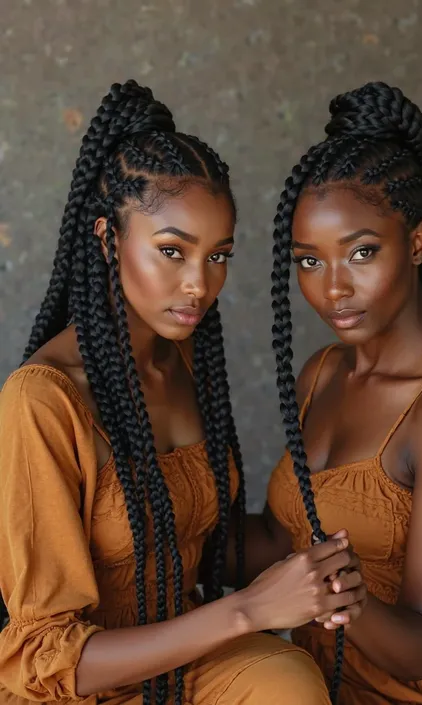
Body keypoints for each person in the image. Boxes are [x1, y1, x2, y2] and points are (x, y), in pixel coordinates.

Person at [0, 79, 367, 705]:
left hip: (188, 663)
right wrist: (249, 609)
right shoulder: (44, 400)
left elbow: (199, 542)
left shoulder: (190, 362)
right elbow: (46, 656)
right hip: (83, 685)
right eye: (173, 251)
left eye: (218, 255)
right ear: (108, 238)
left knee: (289, 681)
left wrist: (314, 566)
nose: (200, 284)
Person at [264, 81, 422, 703]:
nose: (333, 289)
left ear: (416, 242)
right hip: (312, 689)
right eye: (309, 261)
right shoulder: (322, 373)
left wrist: (350, 599)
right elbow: (284, 543)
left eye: (360, 252)